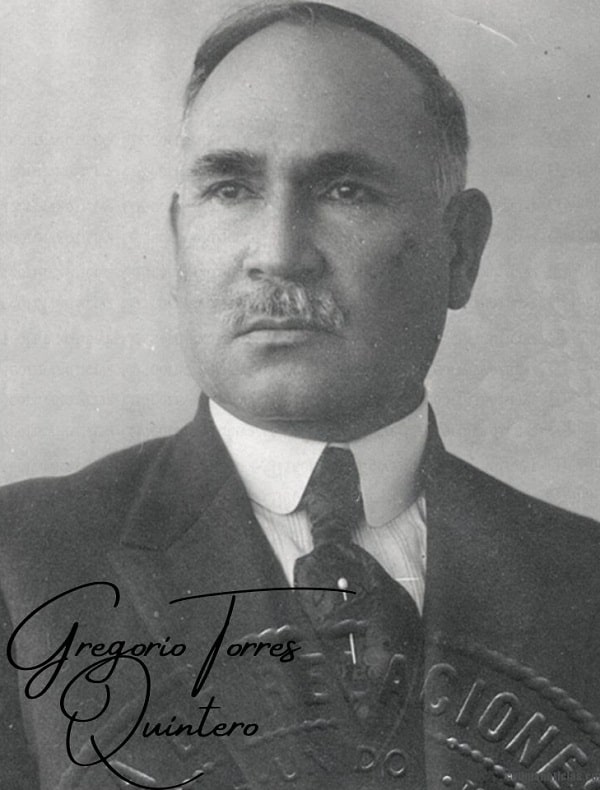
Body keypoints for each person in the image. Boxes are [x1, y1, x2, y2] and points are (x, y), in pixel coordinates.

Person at [1, 3, 599, 789]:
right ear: (179, 240)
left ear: (459, 250)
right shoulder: (21, 564)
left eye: (346, 190)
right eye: (230, 189)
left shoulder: (584, 581)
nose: (279, 254)